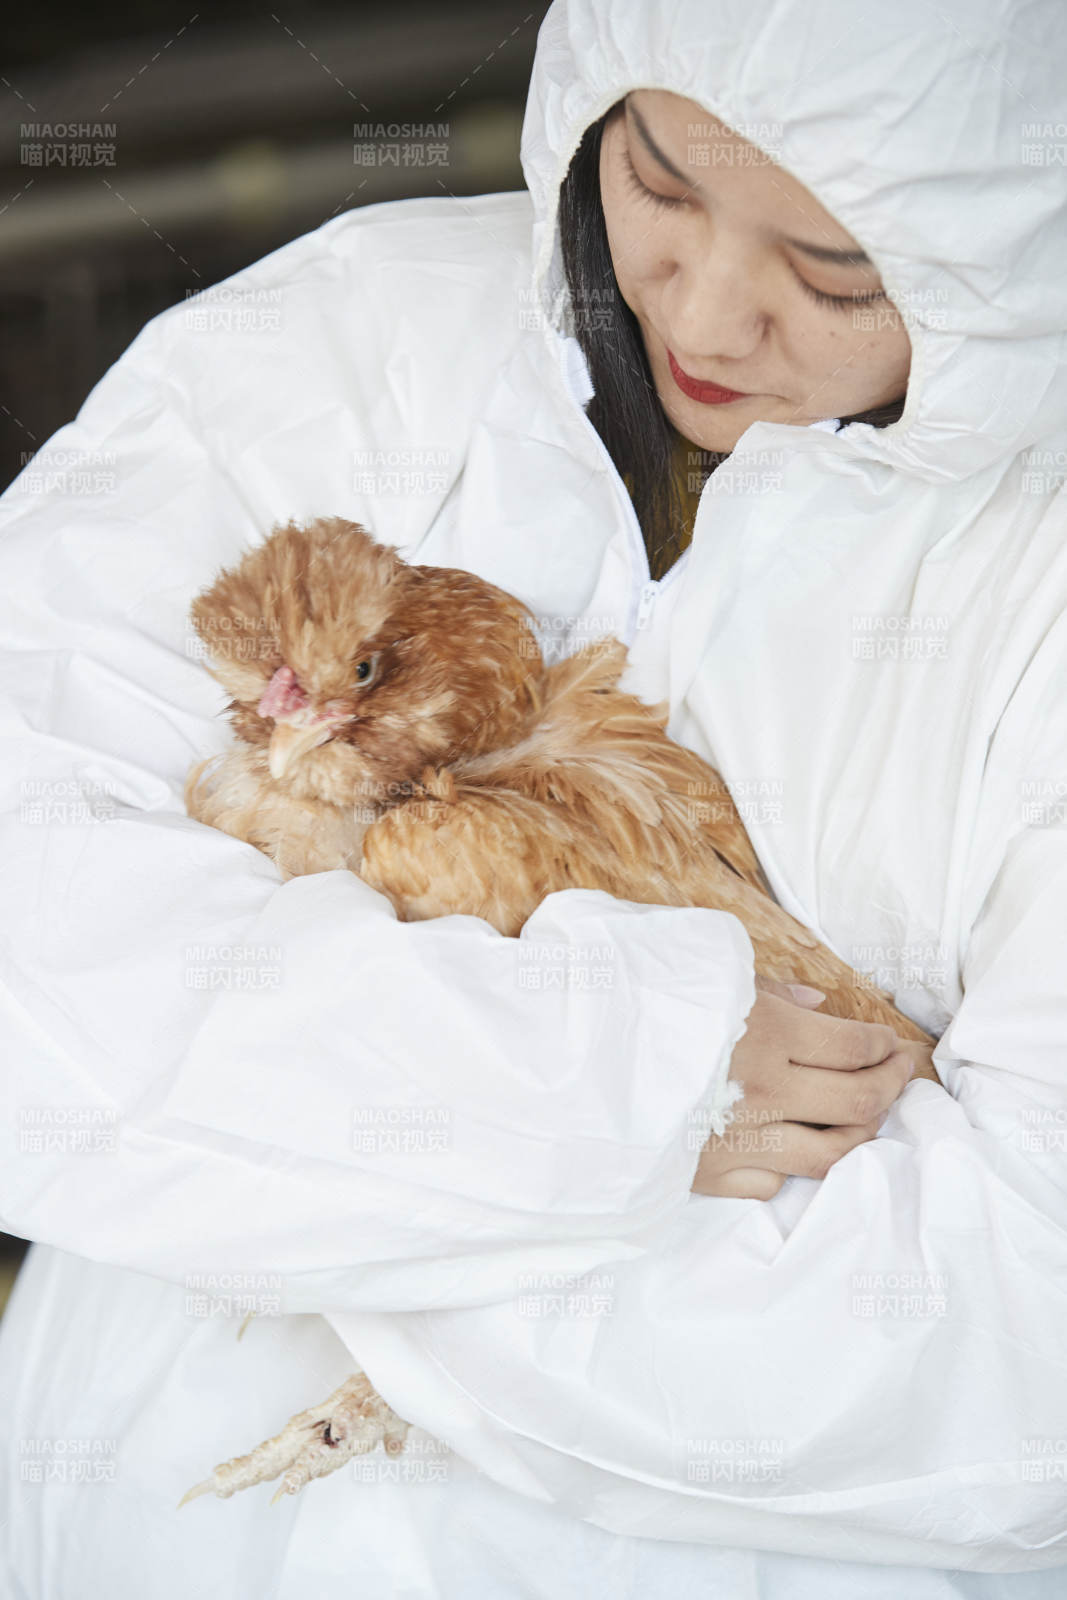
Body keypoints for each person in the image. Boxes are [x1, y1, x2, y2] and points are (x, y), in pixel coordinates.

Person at [0, 0, 1064, 1593]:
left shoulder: (1030, 579)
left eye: (836, 272)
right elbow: (30, 920)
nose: (707, 316)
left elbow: (1012, 1353)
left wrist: (265, 1169)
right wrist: (619, 1093)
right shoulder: (357, 328)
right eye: (663, 182)